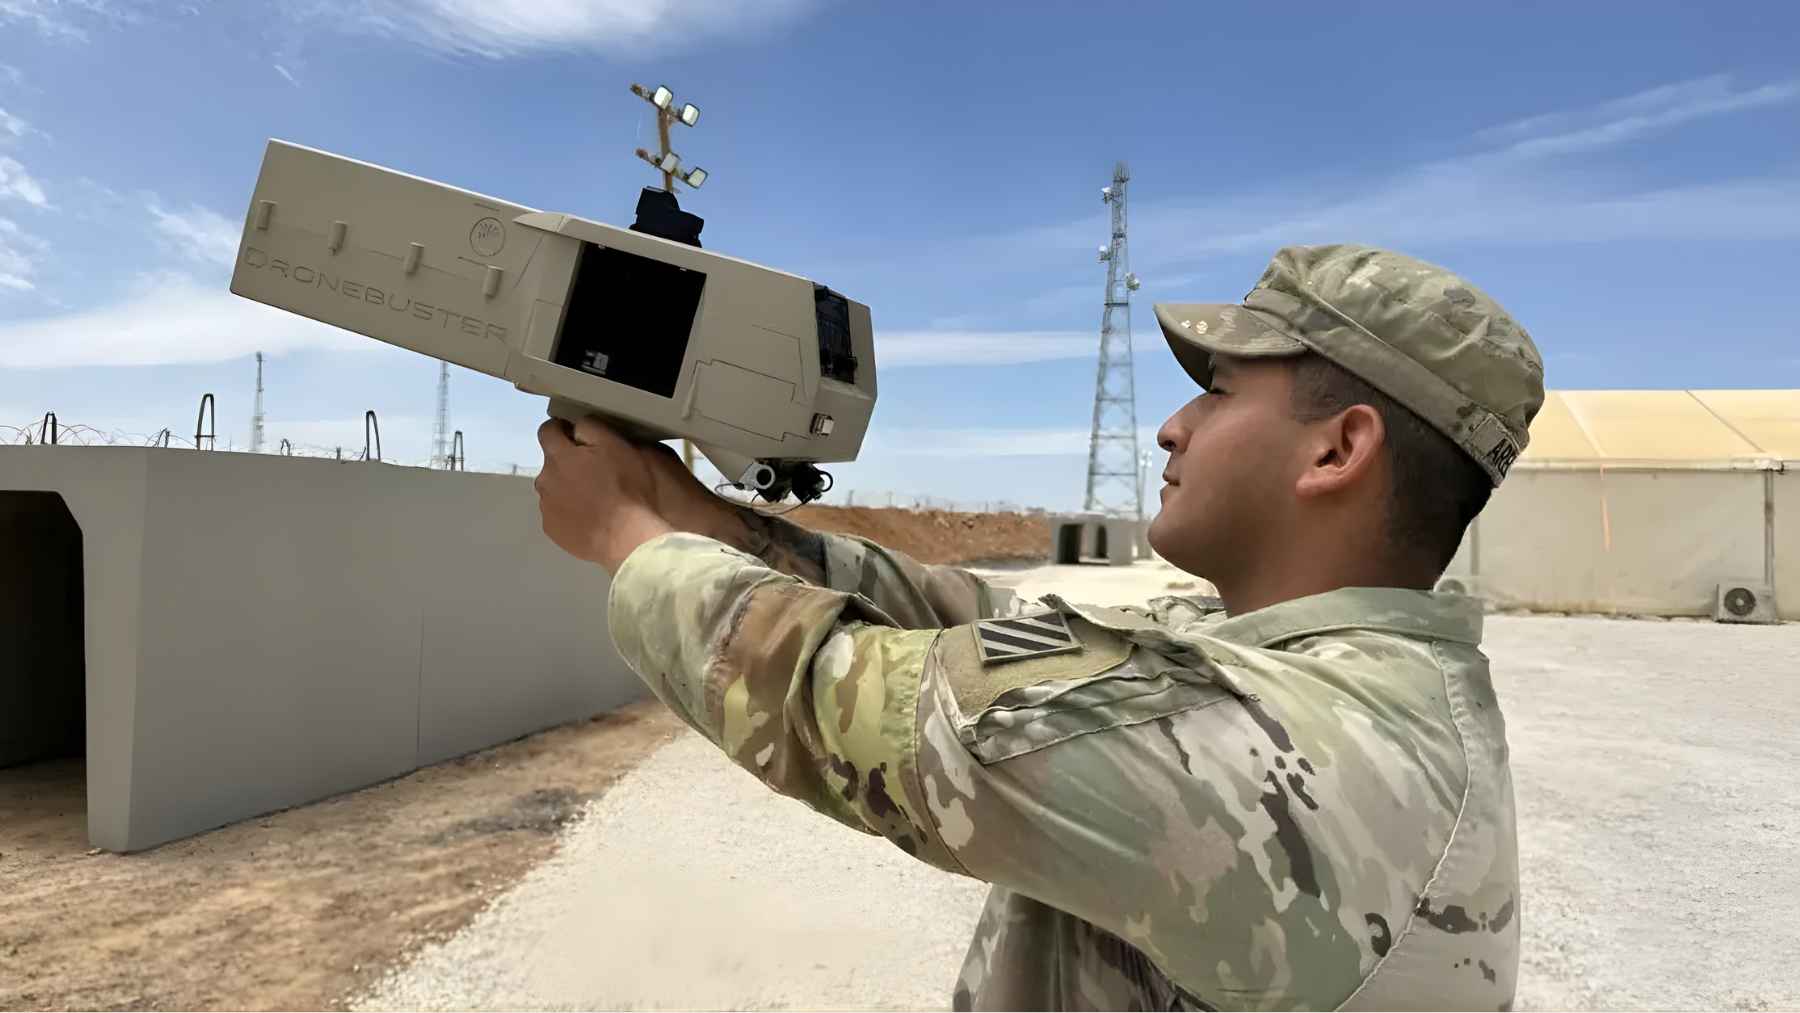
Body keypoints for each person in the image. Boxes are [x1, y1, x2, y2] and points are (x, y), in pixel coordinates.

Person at [534, 243, 1544, 1011]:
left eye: (1218, 389)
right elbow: (983, 621)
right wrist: (710, 523)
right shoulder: (1291, 656)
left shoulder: (1302, 747)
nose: (1173, 425)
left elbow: (853, 708)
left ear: (1337, 450)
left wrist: (631, 539)